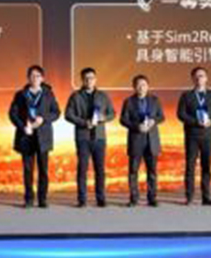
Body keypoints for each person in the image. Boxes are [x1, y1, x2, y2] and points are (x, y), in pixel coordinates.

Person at [9, 65, 60, 208]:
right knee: (27, 170)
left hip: (43, 136)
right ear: (28, 78)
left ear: (42, 78)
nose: (35, 78)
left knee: (43, 170)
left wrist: (43, 119)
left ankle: (42, 199)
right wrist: (22, 126)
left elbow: (56, 112)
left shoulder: (48, 94)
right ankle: (29, 199)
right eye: (32, 76)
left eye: (38, 76)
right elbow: (13, 114)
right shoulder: (20, 95)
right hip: (26, 136)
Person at [65, 67, 115, 208]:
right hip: (83, 138)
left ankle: (101, 199)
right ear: (82, 80)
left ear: (95, 79)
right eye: (86, 78)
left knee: (100, 170)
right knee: (82, 169)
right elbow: (68, 114)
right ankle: (82, 199)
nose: (89, 81)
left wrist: (103, 118)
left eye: (92, 78)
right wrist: (83, 122)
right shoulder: (75, 96)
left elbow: (112, 113)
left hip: (99, 138)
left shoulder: (103, 96)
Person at [176, 66, 211, 206]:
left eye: (202, 76)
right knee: (190, 166)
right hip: (192, 135)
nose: (199, 78)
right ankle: (189, 196)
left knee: (206, 166)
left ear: (206, 78)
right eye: (196, 76)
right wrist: (195, 121)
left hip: (208, 135)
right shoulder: (186, 96)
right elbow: (181, 114)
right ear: (192, 79)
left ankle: (206, 196)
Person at [120, 75, 164, 207]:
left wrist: (154, 121)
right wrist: (136, 126)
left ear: (148, 86)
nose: (141, 87)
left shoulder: (155, 100)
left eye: (143, 85)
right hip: (136, 140)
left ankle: (152, 198)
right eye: (138, 85)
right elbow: (123, 119)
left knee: (152, 172)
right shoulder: (129, 101)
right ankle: (134, 199)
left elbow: (161, 117)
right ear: (134, 87)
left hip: (152, 140)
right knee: (133, 172)